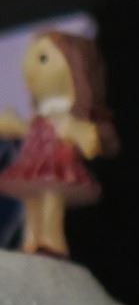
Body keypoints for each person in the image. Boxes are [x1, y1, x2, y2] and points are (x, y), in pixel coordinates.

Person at [0, 30, 118, 258]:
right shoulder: (39, 117)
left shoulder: (63, 118)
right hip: (32, 164)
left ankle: (50, 239)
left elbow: (77, 133)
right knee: (32, 202)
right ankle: (32, 239)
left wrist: (83, 134)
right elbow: (26, 130)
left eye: (42, 58)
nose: (31, 68)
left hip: (56, 165)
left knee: (50, 200)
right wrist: (12, 124)